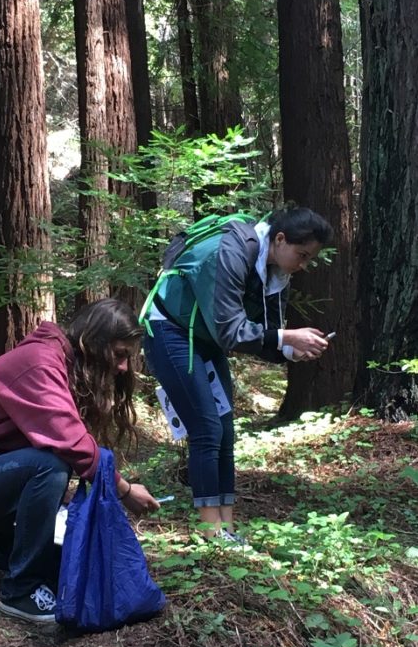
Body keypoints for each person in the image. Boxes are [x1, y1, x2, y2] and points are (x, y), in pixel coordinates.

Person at [0, 298, 160, 624]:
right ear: (94, 341)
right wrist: (123, 490)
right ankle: (20, 592)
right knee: (50, 465)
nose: (123, 366)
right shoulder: (39, 364)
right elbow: (70, 442)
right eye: (120, 354)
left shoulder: (63, 366)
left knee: (61, 566)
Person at [142, 206, 333, 543]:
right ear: (279, 239)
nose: (302, 265)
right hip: (170, 330)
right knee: (206, 428)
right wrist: (287, 338)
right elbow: (232, 331)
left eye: (308, 259)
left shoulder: (276, 272)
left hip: (205, 336)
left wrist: (289, 349)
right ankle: (210, 531)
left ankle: (228, 528)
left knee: (225, 431)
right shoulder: (230, 252)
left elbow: (266, 331)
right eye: (301, 255)